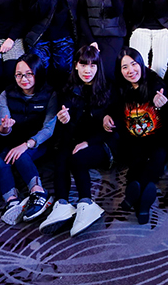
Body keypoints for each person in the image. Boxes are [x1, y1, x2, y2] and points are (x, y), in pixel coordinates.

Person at [39, 46, 113, 236]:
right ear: (76, 65)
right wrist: (65, 121)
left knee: (77, 158)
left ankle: (86, 202)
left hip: (102, 142)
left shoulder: (107, 88)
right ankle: (62, 203)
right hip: (76, 138)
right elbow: (69, 126)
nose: (88, 70)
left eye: (93, 65)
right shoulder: (67, 88)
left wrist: (88, 142)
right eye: (83, 64)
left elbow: (111, 130)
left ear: (98, 67)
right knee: (61, 155)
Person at [105, 48, 168, 224]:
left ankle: (132, 200)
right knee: (135, 164)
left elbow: (167, 106)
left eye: (134, 64)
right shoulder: (120, 87)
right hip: (133, 139)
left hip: (158, 138)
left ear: (141, 63)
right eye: (124, 67)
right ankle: (142, 207)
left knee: (156, 161)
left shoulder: (155, 83)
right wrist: (107, 116)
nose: (130, 70)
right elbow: (113, 108)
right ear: (120, 70)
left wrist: (160, 104)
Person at [0, 56, 59, 225]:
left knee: (21, 155)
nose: (23, 79)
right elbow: (2, 128)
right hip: (14, 140)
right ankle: (12, 200)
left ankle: (38, 191)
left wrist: (27, 144)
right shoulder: (6, 94)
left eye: (29, 74)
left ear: (37, 73)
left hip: (38, 142)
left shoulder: (50, 94)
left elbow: (49, 129)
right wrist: (5, 127)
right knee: (1, 161)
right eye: (19, 75)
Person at [26, 0, 80, 85]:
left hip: (64, 37)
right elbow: (33, 15)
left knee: (64, 70)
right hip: (42, 37)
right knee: (38, 70)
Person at [78, 0, 126, 82]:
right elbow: (82, 15)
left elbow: (118, 13)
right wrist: (91, 40)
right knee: (87, 70)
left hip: (113, 35)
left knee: (106, 72)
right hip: (90, 35)